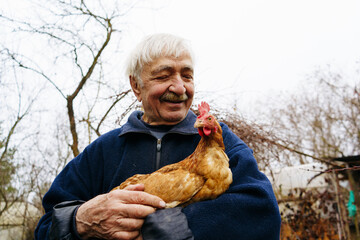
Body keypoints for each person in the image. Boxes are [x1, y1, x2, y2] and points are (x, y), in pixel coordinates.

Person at [35, 33, 281, 240]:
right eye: (164, 76)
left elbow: (263, 213)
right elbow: (46, 226)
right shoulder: (103, 151)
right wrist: (81, 220)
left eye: (187, 76)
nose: (179, 88)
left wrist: (181, 227)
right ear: (136, 86)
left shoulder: (222, 143)